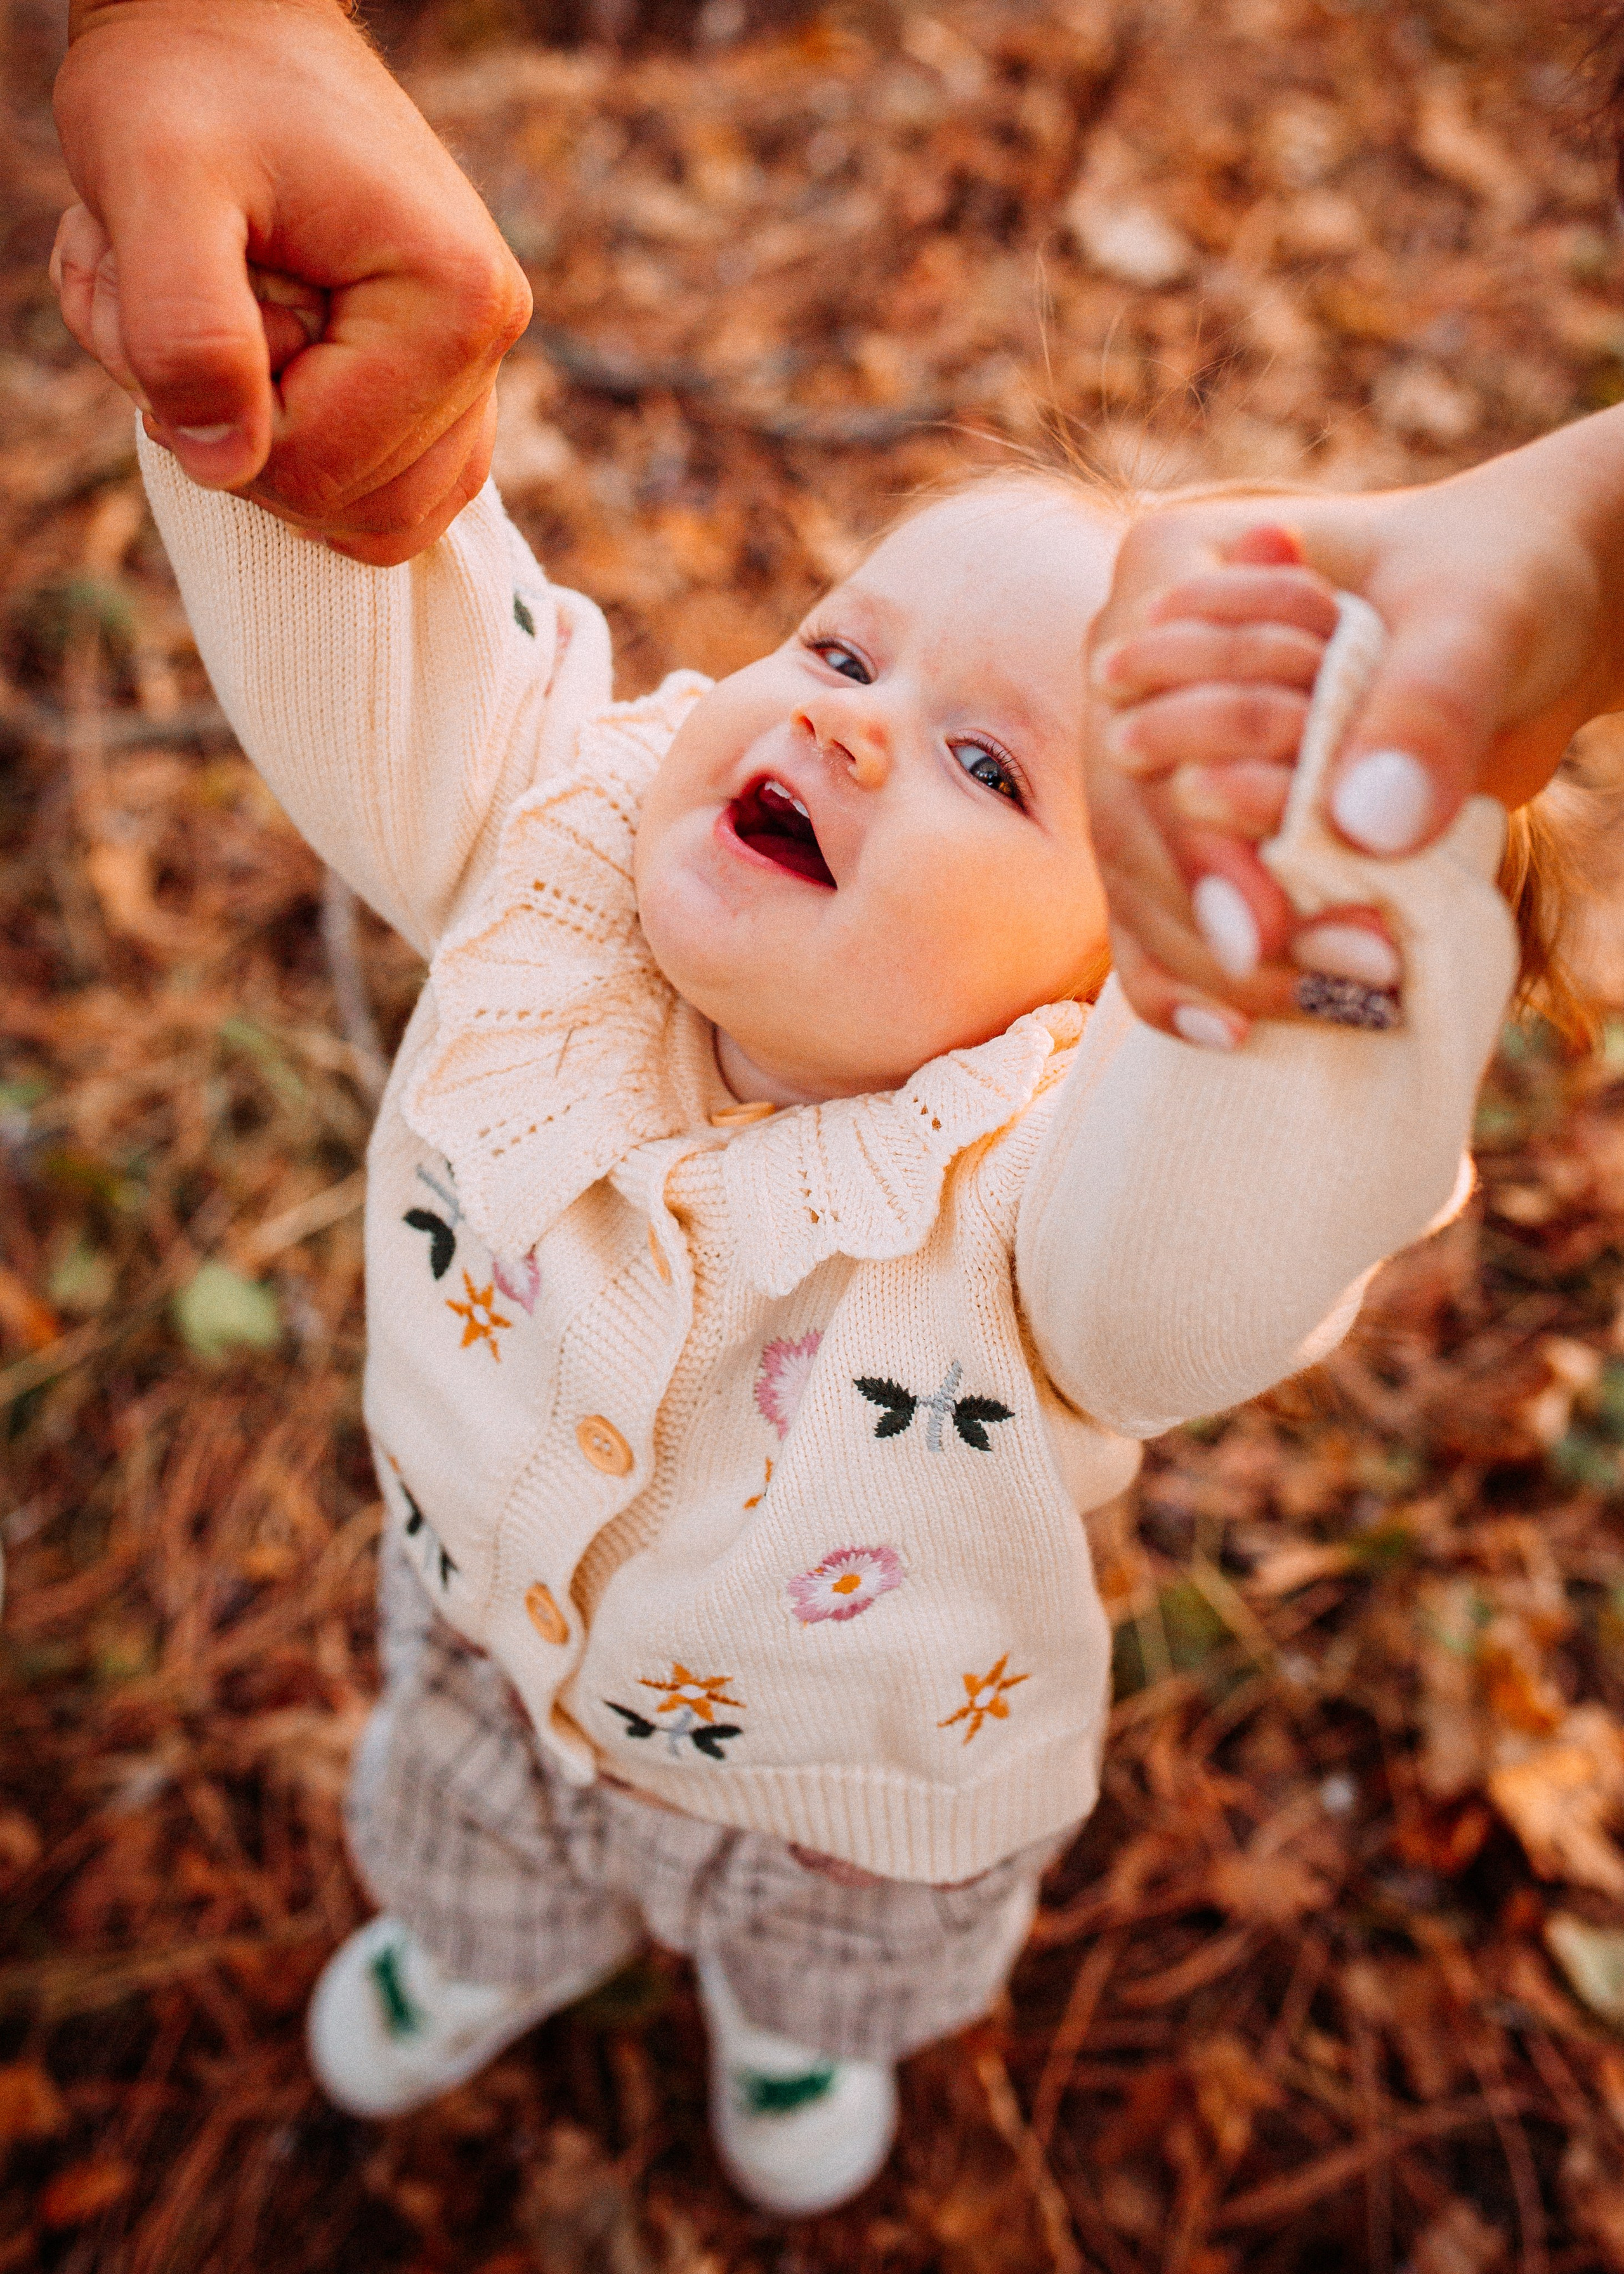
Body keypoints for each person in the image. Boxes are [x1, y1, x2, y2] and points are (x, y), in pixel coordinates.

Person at [45, 0, 1595, 2222]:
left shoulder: (1059, 1216)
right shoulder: (551, 846)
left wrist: (1300, 946)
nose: (853, 727)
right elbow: (392, 622)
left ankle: (774, 2038)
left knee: (826, 1952)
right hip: (488, 1626)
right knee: (477, 1836)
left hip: (851, 1762)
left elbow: (1227, 1219)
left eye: (990, 767)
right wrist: (293, 403)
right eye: (846, 652)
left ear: (1107, 987)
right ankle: (480, 1956)